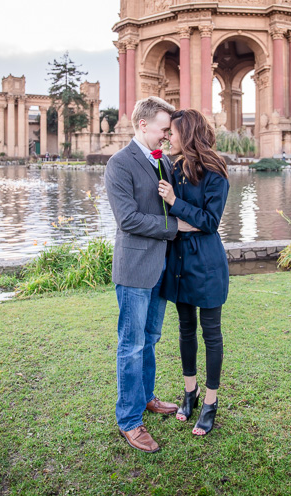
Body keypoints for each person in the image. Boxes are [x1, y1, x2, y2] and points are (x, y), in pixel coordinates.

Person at [104, 96, 197, 454]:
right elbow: (127, 219)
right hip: (134, 269)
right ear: (143, 125)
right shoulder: (119, 164)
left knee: (151, 338)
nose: (166, 135)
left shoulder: (164, 163)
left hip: (161, 268)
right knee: (131, 345)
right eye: (163, 128)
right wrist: (176, 226)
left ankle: (146, 397)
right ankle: (129, 420)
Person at [158, 109, 229, 436]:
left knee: (210, 333)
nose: (167, 137)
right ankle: (191, 393)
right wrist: (186, 220)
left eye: (172, 132)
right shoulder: (170, 167)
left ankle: (211, 402)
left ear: (186, 134)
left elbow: (210, 223)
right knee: (185, 329)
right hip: (179, 263)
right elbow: (175, 220)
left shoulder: (216, 172)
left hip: (207, 263)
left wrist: (175, 201)